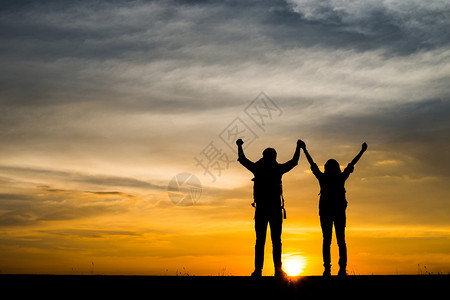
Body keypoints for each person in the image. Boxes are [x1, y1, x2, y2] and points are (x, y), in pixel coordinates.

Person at [236, 138, 302, 278]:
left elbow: (243, 160)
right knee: (273, 241)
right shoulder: (276, 169)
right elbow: (294, 162)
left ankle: (262, 270)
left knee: (263, 241)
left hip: (265, 210)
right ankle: (274, 271)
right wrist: (298, 147)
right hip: (272, 209)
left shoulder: (259, 169)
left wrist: (240, 146)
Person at [301, 141, 367, 276]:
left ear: (326, 168)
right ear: (336, 168)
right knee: (340, 240)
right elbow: (352, 164)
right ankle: (340, 269)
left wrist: (305, 150)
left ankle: (328, 268)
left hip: (327, 211)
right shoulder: (340, 177)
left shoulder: (323, 178)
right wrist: (362, 151)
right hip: (336, 211)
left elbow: (312, 164)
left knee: (328, 240)